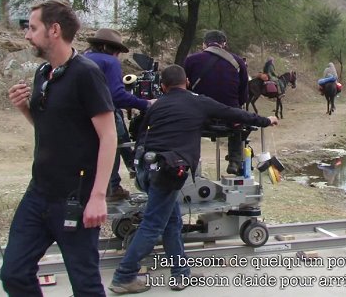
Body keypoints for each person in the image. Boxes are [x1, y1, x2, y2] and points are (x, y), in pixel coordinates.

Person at [109, 65, 278, 294]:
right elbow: (235, 113)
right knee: (153, 225)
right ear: (187, 82)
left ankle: (181, 273)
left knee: (173, 223)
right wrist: (266, 120)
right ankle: (124, 276)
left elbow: (140, 133)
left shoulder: (157, 105)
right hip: (167, 173)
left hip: (145, 169)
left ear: (163, 86)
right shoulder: (198, 102)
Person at [3, 0, 117, 296]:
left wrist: (98, 197)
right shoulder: (44, 73)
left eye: (32, 27)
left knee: (85, 285)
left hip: (75, 199)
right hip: (39, 193)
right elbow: (50, 128)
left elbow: (108, 136)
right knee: (14, 273)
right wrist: (24, 109)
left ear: (54, 30)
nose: (27, 34)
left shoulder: (86, 73)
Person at [84, 28, 154, 201]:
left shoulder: (82, 58)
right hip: (104, 111)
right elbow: (117, 96)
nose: (118, 56)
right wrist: (145, 104)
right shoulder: (109, 62)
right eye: (117, 51)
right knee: (113, 146)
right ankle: (113, 187)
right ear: (109, 47)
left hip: (83, 115)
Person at [183, 30, 249, 175]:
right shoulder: (238, 62)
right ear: (224, 44)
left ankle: (189, 161)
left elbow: (183, 86)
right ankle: (234, 160)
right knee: (238, 119)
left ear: (204, 44)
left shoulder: (191, 60)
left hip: (200, 115)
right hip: (229, 115)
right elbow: (243, 94)